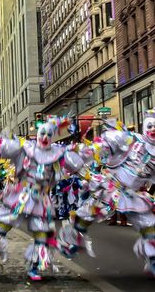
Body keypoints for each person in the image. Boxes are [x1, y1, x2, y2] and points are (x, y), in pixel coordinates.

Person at [0, 117, 89, 281]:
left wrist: (84, 156)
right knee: (3, 225)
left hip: (42, 198)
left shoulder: (58, 154)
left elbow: (77, 165)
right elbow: (1, 150)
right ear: (38, 134)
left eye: (49, 134)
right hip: (22, 195)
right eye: (42, 133)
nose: (45, 137)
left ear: (53, 136)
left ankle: (34, 267)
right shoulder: (26, 148)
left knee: (42, 233)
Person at [58, 114, 155, 276]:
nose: (153, 130)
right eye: (150, 126)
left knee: (150, 227)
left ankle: (153, 261)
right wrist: (86, 153)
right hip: (110, 187)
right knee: (85, 216)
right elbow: (105, 144)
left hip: (133, 195)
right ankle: (70, 242)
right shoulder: (132, 139)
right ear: (145, 127)